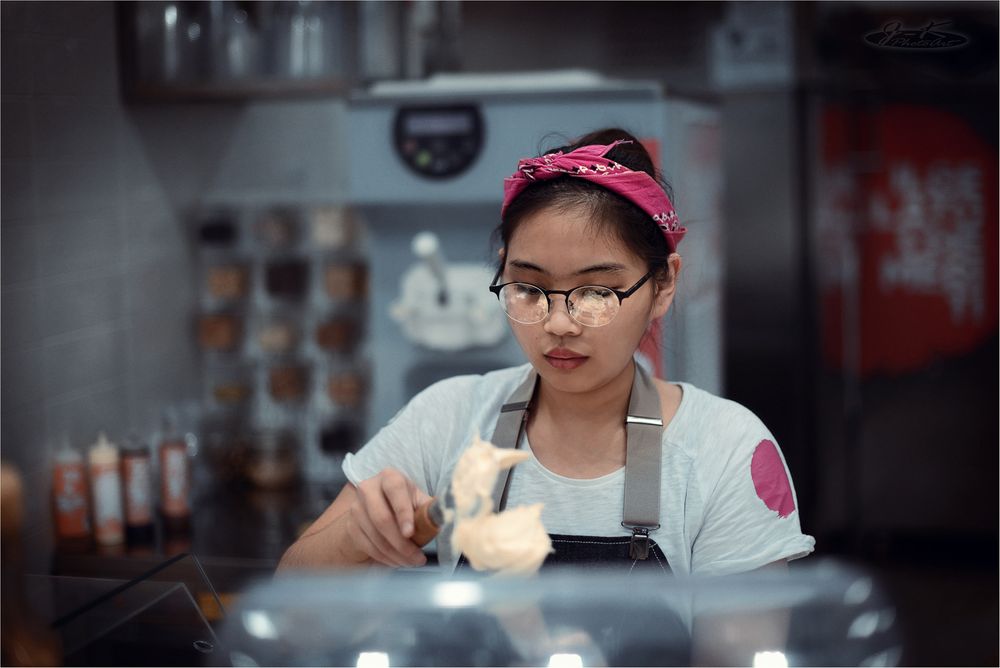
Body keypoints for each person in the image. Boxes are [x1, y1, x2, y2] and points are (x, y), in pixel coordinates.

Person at [278, 128, 815, 576]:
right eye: (529, 289)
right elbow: (291, 602)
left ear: (664, 285)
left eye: (597, 293)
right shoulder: (446, 420)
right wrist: (359, 535)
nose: (558, 324)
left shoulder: (726, 450)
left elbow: (740, 656)